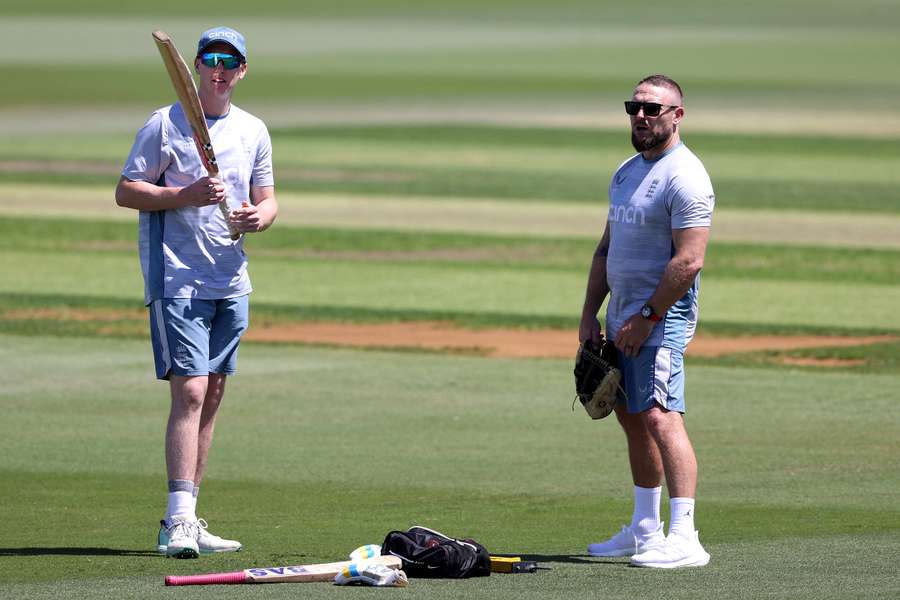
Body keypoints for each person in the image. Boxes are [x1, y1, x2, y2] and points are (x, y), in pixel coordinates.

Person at [115, 26, 278, 559]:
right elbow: (126, 189)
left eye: (231, 61)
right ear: (197, 67)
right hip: (177, 276)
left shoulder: (253, 129)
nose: (220, 69)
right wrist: (184, 194)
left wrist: (259, 217)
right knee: (188, 391)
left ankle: (191, 513)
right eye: (211, 59)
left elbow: (268, 198)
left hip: (230, 278)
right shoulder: (165, 123)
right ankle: (176, 521)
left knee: (212, 393)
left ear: (243, 70)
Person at [578, 74, 714, 568]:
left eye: (652, 108)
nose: (640, 115)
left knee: (661, 416)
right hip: (621, 318)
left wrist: (648, 317)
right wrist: (591, 314)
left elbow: (689, 261)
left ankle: (685, 537)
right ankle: (644, 529)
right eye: (634, 106)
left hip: (659, 320)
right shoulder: (627, 170)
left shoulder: (686, 176)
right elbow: (606, 248)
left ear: (677, 115)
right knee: (632, 418)